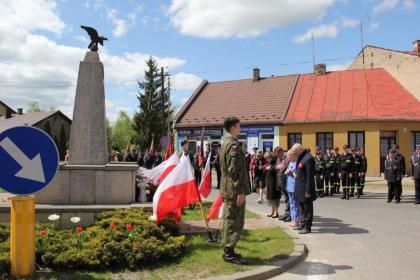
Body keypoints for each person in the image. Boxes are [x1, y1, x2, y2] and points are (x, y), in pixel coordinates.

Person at [220, 116, 250, 265]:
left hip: (228, 189)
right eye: (239, 126)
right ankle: (228, 253)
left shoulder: (225, 143)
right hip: (233, 190)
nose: (240, 129)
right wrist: (240, 192)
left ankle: (229, 250)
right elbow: (235, 171)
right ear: (232, 128)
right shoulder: (233, 145)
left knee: (230, 218)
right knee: (234, 220)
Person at [293, 144, 316, 234]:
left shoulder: (308, 158)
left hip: (305, 189)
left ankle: (307, 227)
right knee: (301, 209)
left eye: (295, 152)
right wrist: (295, 173)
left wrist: (308, 191)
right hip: (299, 188)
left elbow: (310, 177)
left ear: (299, 150)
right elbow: (299, 169)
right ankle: (302, 224)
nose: (294, 153)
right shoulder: (300, 157)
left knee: (307, 209)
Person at [285, 149, 300, 228]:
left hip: (294, 186)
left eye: (289, 156)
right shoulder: (290, 163)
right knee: (291, 204)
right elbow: (286, 172)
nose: (287, 157)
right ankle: (293, 219)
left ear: (293, 155)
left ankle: (296, 221)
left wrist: (290, 171)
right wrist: (288, 171)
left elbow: (296, 175)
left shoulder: (297, 163)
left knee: (295, 204)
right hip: (289, 186)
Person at [265, 152, 281, 218]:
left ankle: (276, 212)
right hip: (270, 183)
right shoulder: (271, 164)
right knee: (271, 198)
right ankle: (272, 211)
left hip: (274, 183)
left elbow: (277, 169)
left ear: (270, 157)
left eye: (267, 158)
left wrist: (271, 167)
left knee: (275, 198)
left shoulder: (275, 162)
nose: (266, 160)